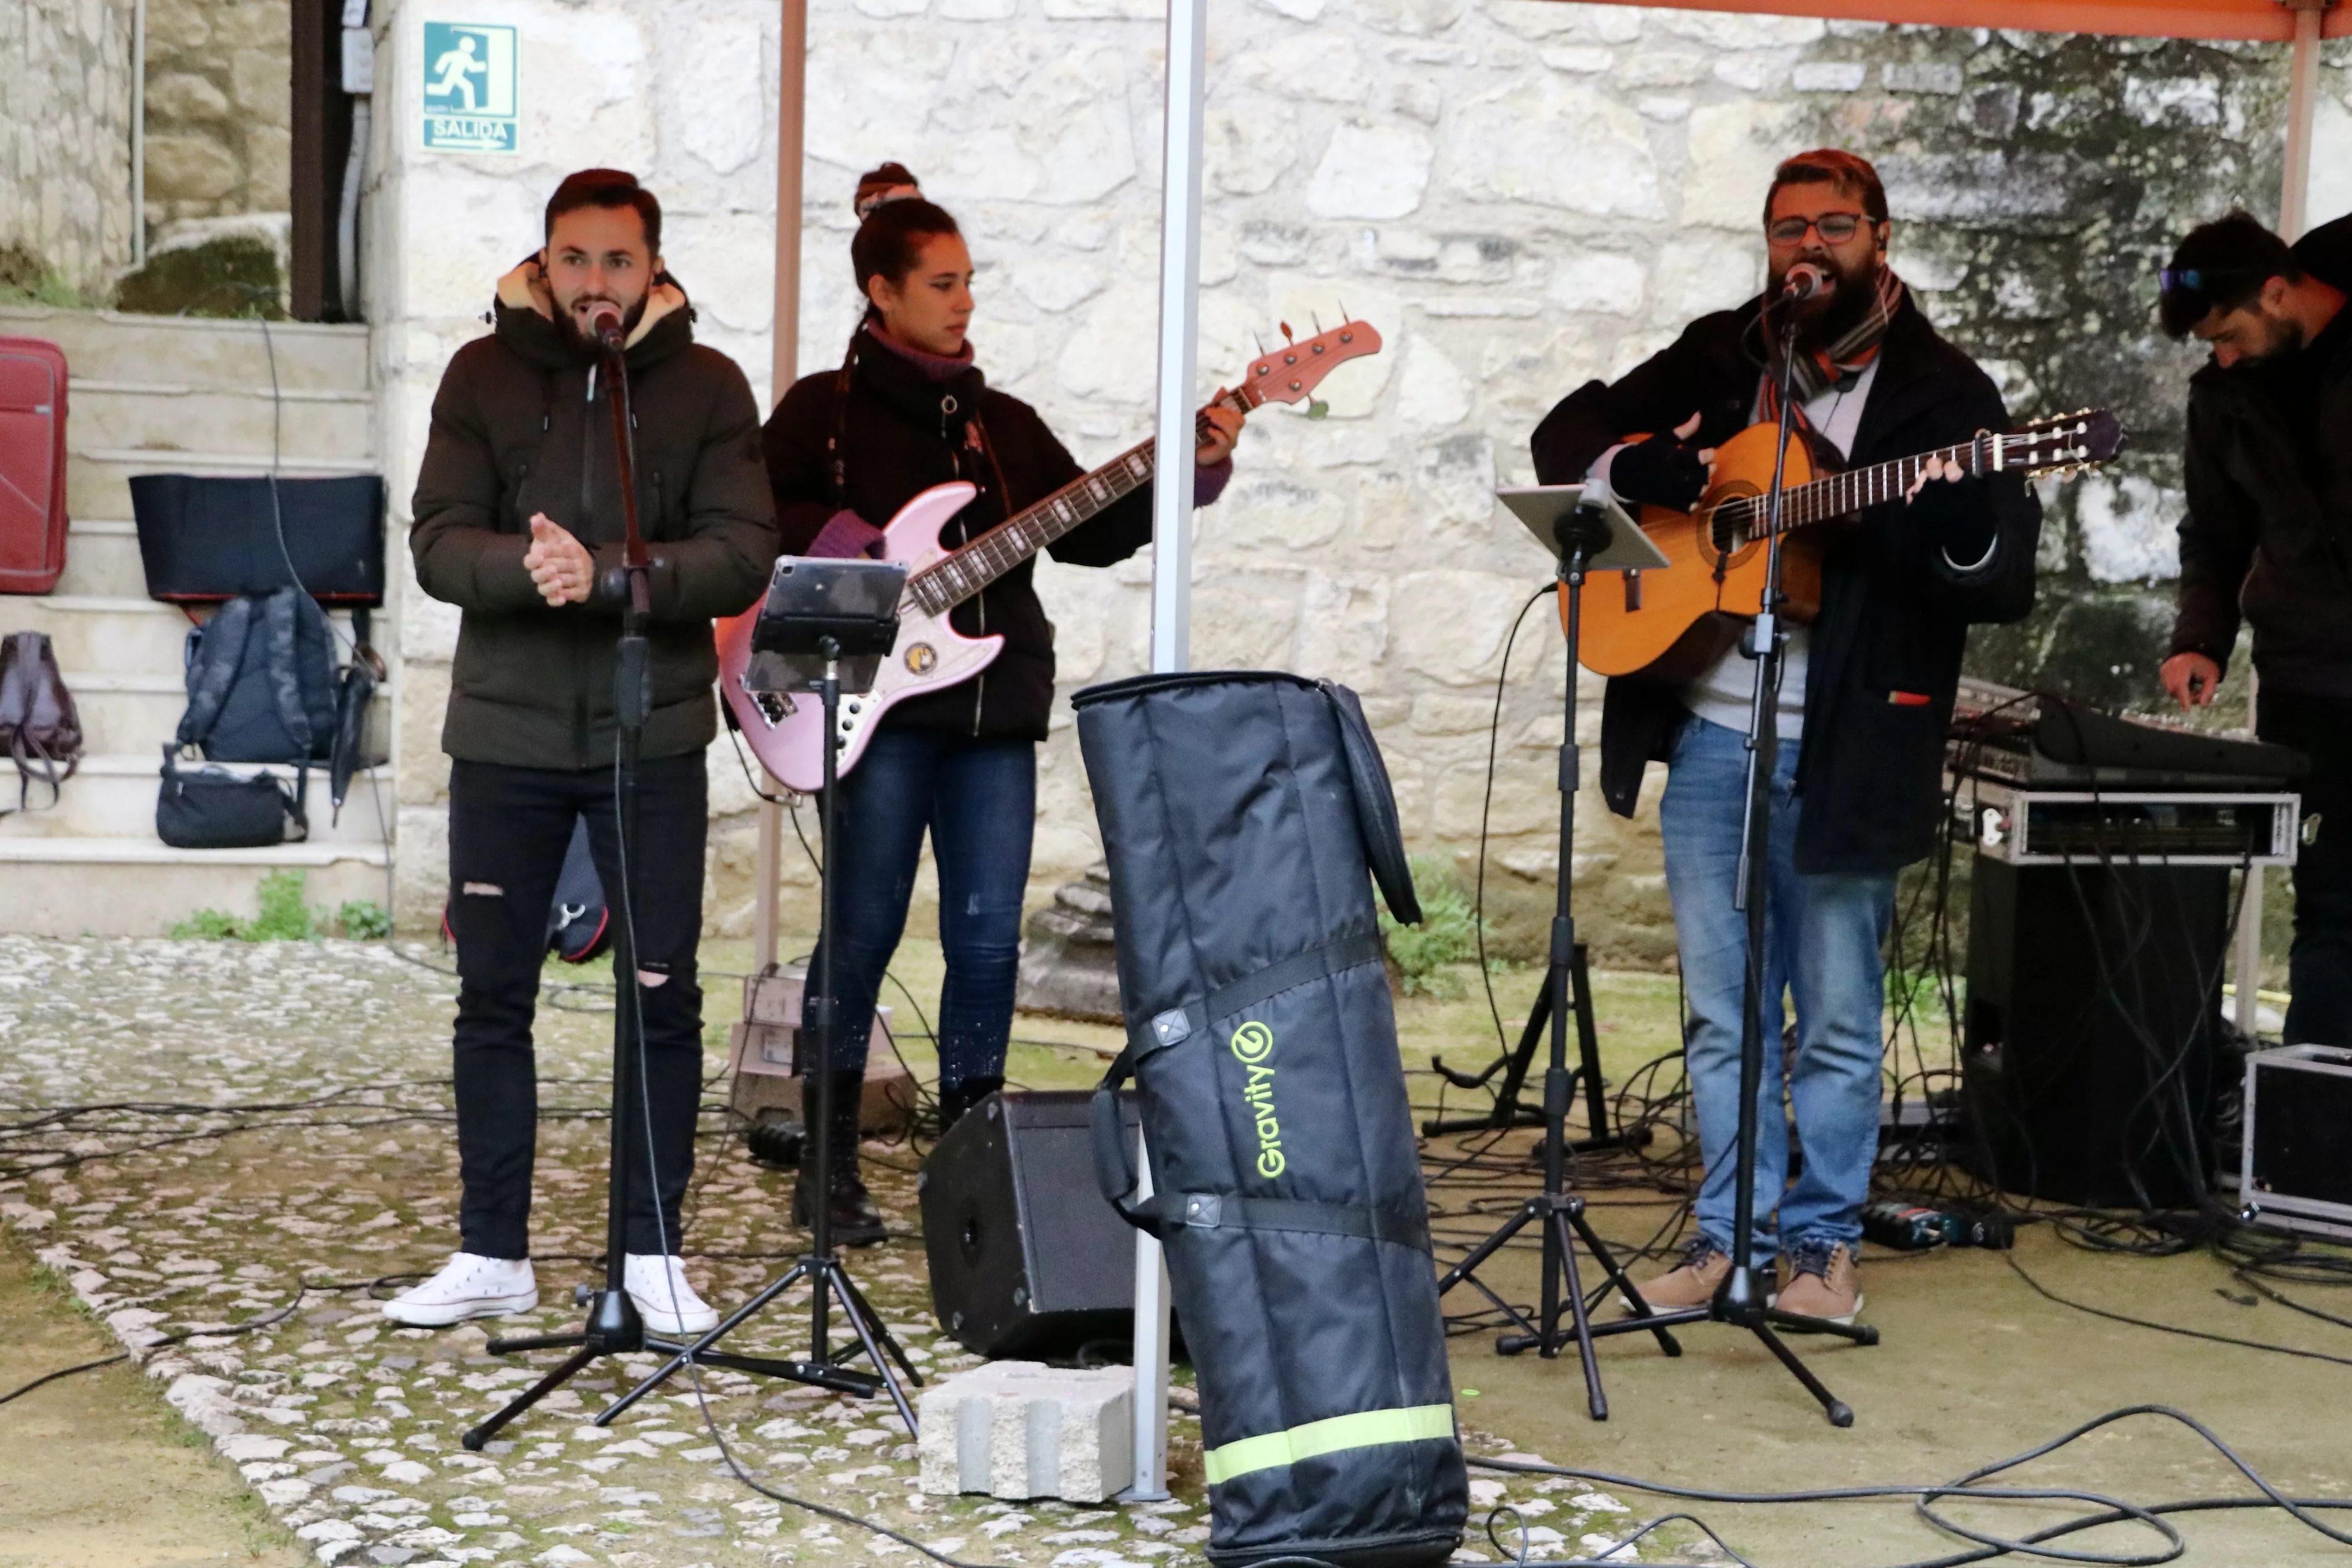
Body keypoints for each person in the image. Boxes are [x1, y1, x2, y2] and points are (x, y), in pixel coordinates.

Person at [1531, 149, 2040, 1323]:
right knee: (1724, 1007)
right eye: (1786, 229)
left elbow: (1997, 578)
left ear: (1881, 236)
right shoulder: (1726, 349)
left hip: (1853, 738)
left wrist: (1942, 510)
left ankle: (1818, 1252)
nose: (1807, 249)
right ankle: (1727, 1240)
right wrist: (1642, 466)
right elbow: (1570, 432)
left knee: (1841, 1014)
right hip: (1714, 732)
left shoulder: (1945, 394)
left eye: (1833, 227)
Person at [760, 165, 1244, 1244]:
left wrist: (1194, 468)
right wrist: (871, 564)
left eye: (970, 281)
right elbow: (761, 511)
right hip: (878, 719)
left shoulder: (1001, 426)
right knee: (863, 929)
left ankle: (974, 1173)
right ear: (881, 292)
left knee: (986, 948)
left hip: (995, 723)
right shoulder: (818, 416)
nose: (964, 301)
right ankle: (827, 1164)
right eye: (941, 283)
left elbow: (1096, 530)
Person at [387, 169, 779, 1331]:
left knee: (661, 990)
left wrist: (610, 574)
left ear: (652, 268)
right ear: (545, 262)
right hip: (504, 731)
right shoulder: (479, 373)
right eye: (575, 259)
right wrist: (529, 569)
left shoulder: (706, 386)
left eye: (617, 261)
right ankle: (490, 1247)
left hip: (647, 731)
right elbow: (435, 540)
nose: (596, 283)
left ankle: (651, 1252)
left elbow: (746, 550)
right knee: (490, 992)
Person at [2157, 208, 2352, 1045]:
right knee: (2333, 906)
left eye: (2231, 333)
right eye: (2209, 343)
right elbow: (2215, 532)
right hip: (2309, 682)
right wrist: (2201, 638)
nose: (2222, 355)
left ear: (2280, 290)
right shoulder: (2227, 396)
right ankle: (2318, 1129)